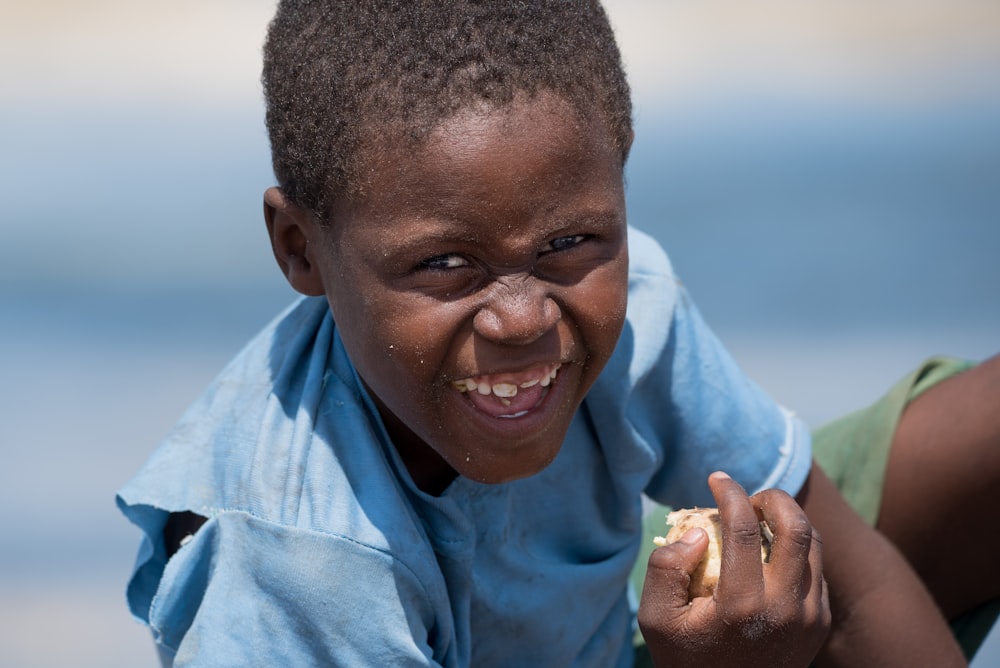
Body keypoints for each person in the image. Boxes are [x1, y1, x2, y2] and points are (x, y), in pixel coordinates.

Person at [117, 1, 999, 666]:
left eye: (569, 242)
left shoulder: (632, 298)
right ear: (300, 249)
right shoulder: (297, 568)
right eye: (444, 265)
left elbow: (853, 573)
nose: (523, 318)